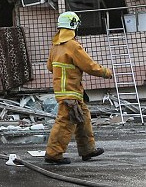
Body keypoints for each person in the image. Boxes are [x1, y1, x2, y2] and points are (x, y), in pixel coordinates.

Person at [44, 11, 113, 165]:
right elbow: (89, 65)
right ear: (73, 26)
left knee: (83, 118)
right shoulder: (73, 46)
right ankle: (53, 155)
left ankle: (87, 150)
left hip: (67, 92)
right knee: (65, 123)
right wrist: (105, 72)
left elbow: (50, 67)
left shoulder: (55, 46)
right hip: (70, 92)